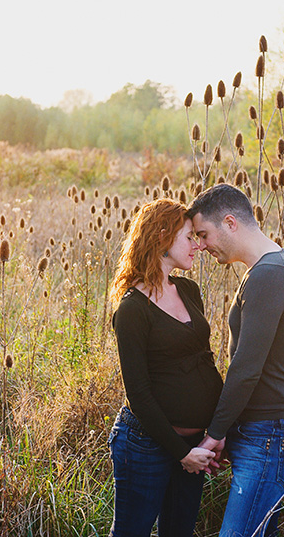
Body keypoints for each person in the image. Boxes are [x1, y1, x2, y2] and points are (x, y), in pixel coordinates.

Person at [186, 183, 284, 537]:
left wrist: (215, 434)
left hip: (272, 432)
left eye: (204, 234)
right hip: (264, 429)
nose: (202, 245)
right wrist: (231, 430)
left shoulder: (269, 275)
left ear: (230, 223)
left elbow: (245, 369)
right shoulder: (264, 270)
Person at [108, 198, 224, 537]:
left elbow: (204, 360)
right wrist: (182, 453)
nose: (198, 245)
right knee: (132, 532)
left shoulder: (188, 289)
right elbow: (138, 394)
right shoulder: (132, 309)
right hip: (146, 445)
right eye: (189, 237)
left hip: (195, 447)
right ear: (162, 238)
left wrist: (215, 433)